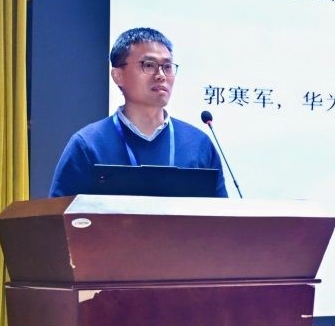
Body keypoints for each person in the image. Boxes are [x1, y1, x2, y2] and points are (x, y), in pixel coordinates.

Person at [48, 27, 229, 198]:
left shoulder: (198, 144)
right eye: (149, 65)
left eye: (167, 66)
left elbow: (220, 216)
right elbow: (59, 216)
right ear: (118, 76)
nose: (161, 75)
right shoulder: (88, 144)